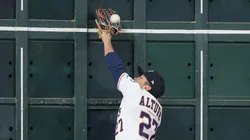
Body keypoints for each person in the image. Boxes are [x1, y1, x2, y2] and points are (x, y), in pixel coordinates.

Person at [101, 31, 165, 140]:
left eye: (140, 78)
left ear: (147, 87)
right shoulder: (159, 111)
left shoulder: (136, 91)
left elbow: (115, 67)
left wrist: (106, 40)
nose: (135, 79)